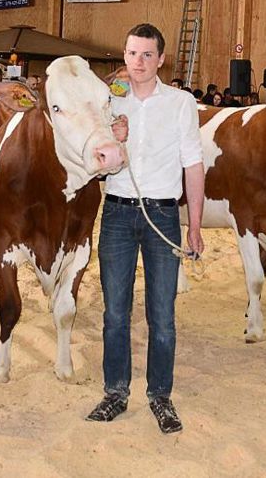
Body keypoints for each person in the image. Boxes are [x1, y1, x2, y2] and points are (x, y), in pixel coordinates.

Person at [86, 23, 204, 434]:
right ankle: (115, 392)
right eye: (132, 53)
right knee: (115, 312)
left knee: (162, 314)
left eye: (147, 55)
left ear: (161, 59)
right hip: (117, 212)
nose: (138, 62)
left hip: (163, 215)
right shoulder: (108, 103)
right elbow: (97, 166)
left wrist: (196, 225)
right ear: (124, 54)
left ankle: (160, 396)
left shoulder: (181, 102)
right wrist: (115, 143)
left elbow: (193, 163)